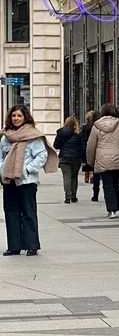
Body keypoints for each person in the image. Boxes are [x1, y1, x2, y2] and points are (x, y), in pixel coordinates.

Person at [0, 105, 59, 256]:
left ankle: (32, 245)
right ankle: (14, 246)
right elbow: (1, 157)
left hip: (27, 181)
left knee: (28, 212)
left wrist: (26, 169)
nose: (16, 118)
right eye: (14, 116)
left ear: (25, 117)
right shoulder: (6, 137)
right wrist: (2, 169)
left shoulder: (33, 136)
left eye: (19, 116)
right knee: (11, 212)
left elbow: (41, 156)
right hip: (8, 180)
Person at [86, 103, 119, 219]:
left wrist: (90, 161)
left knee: (107, 184)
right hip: (118, 156)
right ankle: (116, 207)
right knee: (115, 183)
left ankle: (111, 209)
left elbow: (91, 146)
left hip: (103, 158)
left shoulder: (96, 126)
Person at [53, 116, 84, 204]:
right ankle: (74, 196)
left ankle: (67, 197)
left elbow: (56, 145)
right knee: (74, 177)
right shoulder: (78, 133)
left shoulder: (61, 133)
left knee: (66, 177)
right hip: (76, 158)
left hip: (64, 158)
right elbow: (82, 147)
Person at [80, 110, 101, 202]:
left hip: (90, 149)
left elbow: (83, 140)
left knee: (92, 168)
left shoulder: (86, 127)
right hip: (100, 151)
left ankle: (95, 194)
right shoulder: (99, 127)